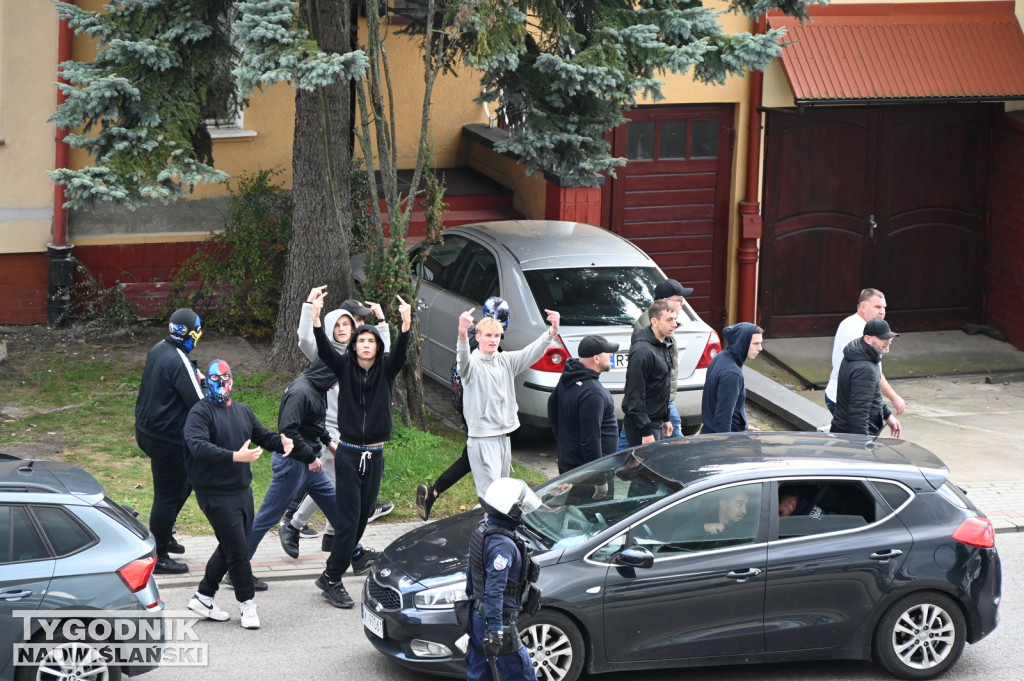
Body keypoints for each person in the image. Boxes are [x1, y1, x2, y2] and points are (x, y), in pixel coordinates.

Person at [311, 290, 411, 608]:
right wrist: (315, 317)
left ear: (377, 346)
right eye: (361, 341)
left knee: (360, 519)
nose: (366, 345)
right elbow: (325, 349)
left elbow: (401, 353)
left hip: (375, 455)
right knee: (349, 519)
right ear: (354, 346)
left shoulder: (386, 370)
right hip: (349, 453)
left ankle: (333, 572)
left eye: (371, 341)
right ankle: (331, 578)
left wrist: (405, 323)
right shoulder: (344, 369)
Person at [183, 359, 293, 630]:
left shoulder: (242, 411)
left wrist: (283, 441)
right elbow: (198, 446)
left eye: (224, 378)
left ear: (232, 380)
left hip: (241, 490)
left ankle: (203, 596)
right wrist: (236, 456)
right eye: (214, 379)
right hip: (214, 493)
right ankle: (247, 605)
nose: (220, 384)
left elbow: (264, 436)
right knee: (239, 551)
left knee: (232, 546)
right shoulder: (200, 412)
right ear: (205, 381)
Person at [291, 288, 392, 557]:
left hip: (349, 429)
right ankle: (296, 524)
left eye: (352, 323)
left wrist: (383, 324)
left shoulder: (359, 354)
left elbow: (386, 357)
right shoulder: (327, 353)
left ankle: (330, 535)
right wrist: (309, 306)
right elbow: (304, 339)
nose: (349, 329)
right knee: (330, 482)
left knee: (334, 483)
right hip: (330, 428)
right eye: (342, 324)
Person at [417, 296, 511, 521]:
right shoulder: (483, 343)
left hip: (470, 409)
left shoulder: (476, 335)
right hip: (481, 414)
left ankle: (434, 491)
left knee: (469, 458)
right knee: (479, 458)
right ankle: (492, 508)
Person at [243, 361, 338, 582]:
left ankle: (355, 553)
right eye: (337, 376)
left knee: (337, 508)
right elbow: (288, 431)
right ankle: (237, 568)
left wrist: (329, 443)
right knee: (267, 517)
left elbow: (314, 423)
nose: (338, 382)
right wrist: (311, 457)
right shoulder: (300, 391)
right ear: (327, 373)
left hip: (309, 463)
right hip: (293, 464)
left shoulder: (318, 388)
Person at [457, 305, 561, 499]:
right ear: (478, 337)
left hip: (504, 437)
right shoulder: (472, 364)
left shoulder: (506, 360)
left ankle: (495, 526)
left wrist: (551, 333)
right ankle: (486, 528)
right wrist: (462, 333)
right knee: (490, 495)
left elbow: (531, 353)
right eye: (488, 335)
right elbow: (462, 360)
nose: (493, 340)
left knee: (501, 494)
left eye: (497, 336)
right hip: (482, 439)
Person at [135, 307, 204, 574]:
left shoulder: (159, 348)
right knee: (167, 494)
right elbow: (199, 403)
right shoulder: (179, 360)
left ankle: (165, 534)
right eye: (197, 332)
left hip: (147, 431)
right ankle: (159, 555)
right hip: (167, 440)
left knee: (185, 482)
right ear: (190, 335)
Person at [465, 478, 542, 681]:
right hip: (497, 621)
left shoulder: (482, 531)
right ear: (511, 510)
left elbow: (470, 574)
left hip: (478, 615)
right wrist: (497, 630)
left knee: (480, 674)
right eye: (520, 507)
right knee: (522, 674)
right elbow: (494, 590)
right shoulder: (503, 546)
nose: (523, 511)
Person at [824, 288, 906, 416]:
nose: (882, 312)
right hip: (846, 399)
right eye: (877, 307)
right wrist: (893, 398)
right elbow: (873, 373)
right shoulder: (858, 332)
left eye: (884, 307)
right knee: (860, 434)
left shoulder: (851, 323)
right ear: (863, 306)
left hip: (846, 396)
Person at [547, 335, 619, 474]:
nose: (611, 355)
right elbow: (591, 440)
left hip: (568, 460)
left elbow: (552, 405)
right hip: (587, 471)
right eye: (608, 352)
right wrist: (599, 478)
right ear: (596, 358)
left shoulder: (570, 375)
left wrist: (563, 439)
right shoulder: (593, 392)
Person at [633, 279, 693, 439]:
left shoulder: (663, 324)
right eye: (679, 300)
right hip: (656, 399)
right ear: (666, 302)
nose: (683, 304)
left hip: (660, 398)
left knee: (628, 445)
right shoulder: (654, 327)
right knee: (676, 442)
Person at [831, 318, 903, 438]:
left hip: (845, 432)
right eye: (883, 338)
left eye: (889, 338)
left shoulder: (859, 353)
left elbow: (873, 394)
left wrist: (887, 415)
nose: (889, 341)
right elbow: (859, 413)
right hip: (853, 436)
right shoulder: (865, 368)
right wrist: (863, 445)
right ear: (868, 339)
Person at [621, 300, 677, 446]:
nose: (674, 324)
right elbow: (634, 394)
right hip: (642, 426)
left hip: (656, 420)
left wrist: (665, 417)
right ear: (654, 321)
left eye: (675, 319)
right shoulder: (642, 351)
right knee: (642, 468)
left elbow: (661, 384)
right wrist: (646, 432)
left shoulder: (664, 343)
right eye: (669, 320)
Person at [700, 322, 763, 434]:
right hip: (723, 440)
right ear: (742, 343)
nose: (760, 348)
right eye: (756, 344)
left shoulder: (720, 357)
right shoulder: (732, 374)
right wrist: (725, 445)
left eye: (760, 343)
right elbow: (723, 417)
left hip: (713, 433)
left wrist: (744, 426)